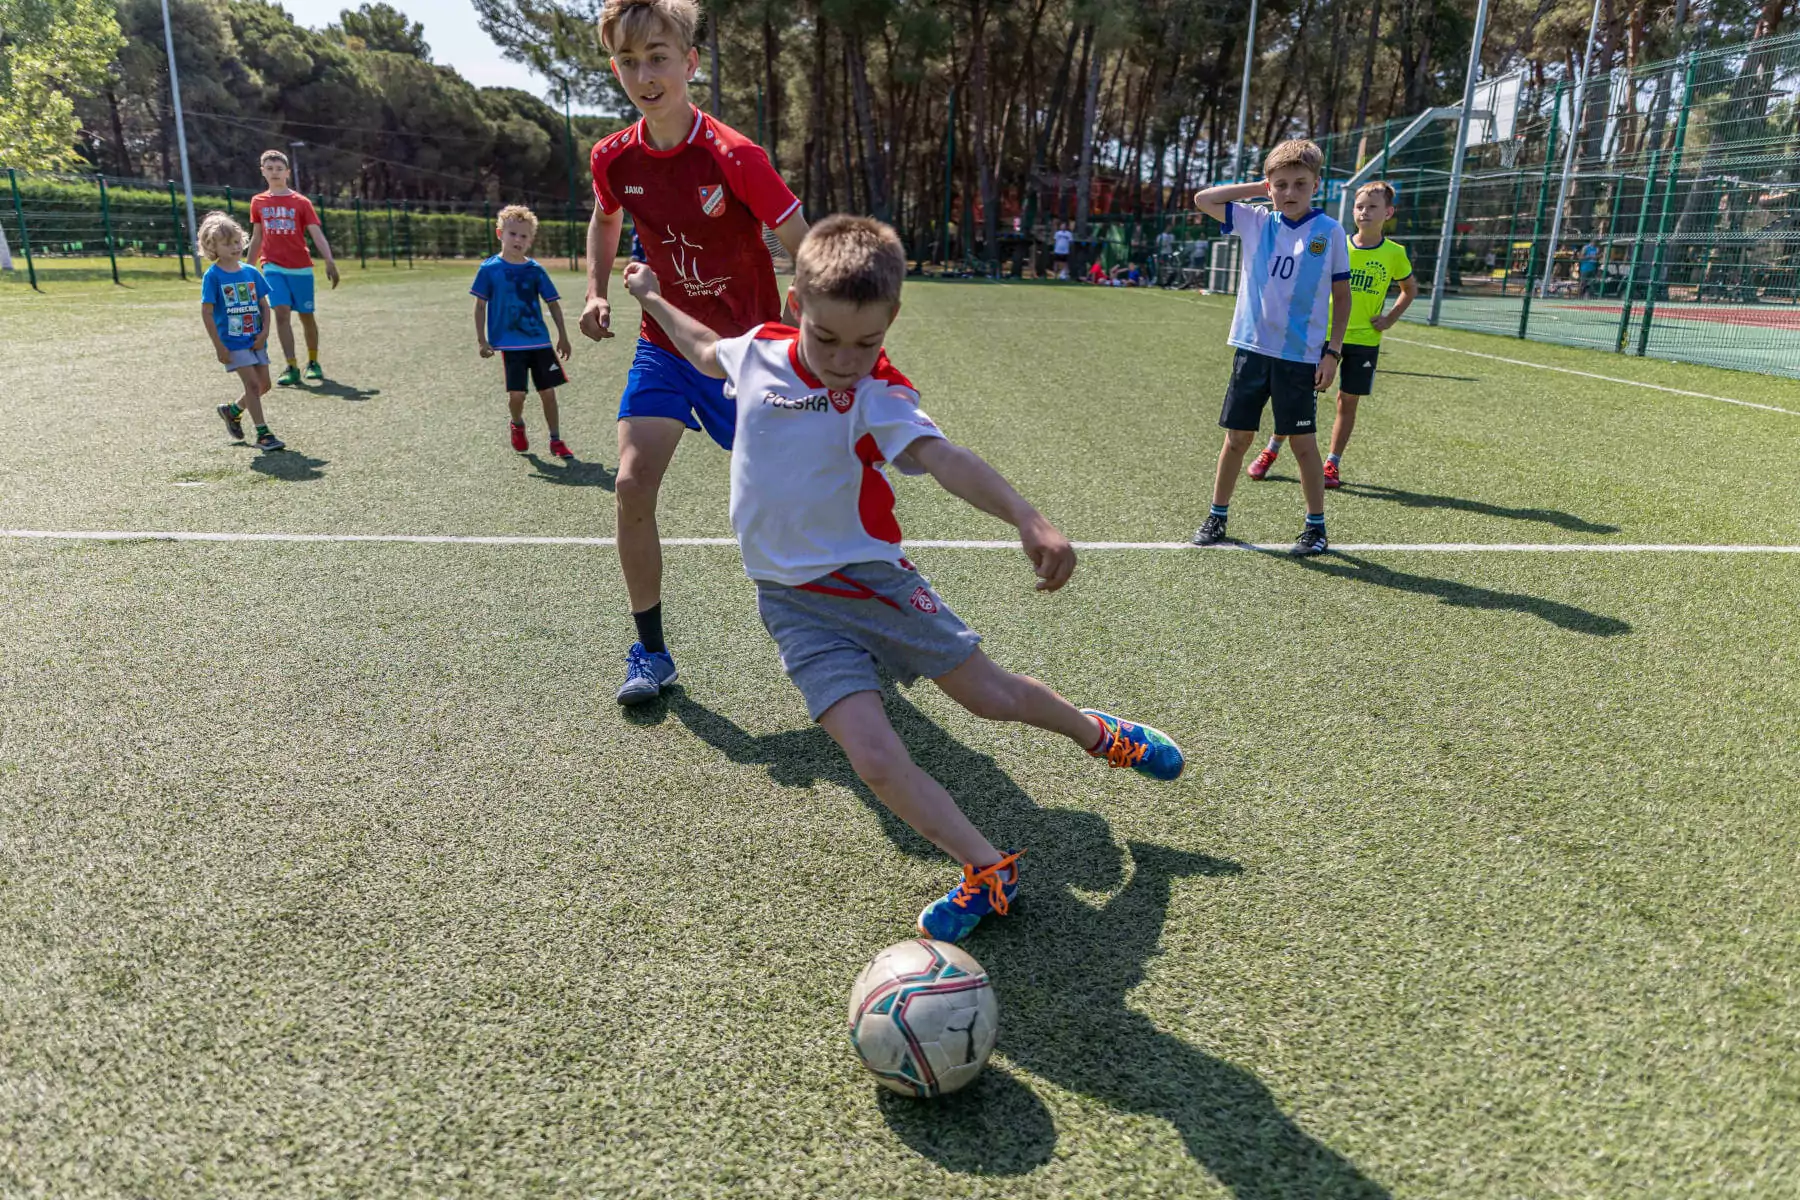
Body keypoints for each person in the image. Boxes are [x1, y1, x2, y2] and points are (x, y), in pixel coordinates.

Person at [621, 215, 1185, 942]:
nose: (846, 359)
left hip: (871, 583)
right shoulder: (758, 352)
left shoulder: (878, 393)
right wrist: (650, 295)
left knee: (991, 698)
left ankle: (1099, 734)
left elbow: (943, 457)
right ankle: (987, 871)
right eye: (827, 339)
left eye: (867, 342)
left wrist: (1025, 514)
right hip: (791, 606)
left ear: (892, 319)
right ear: (797, 308)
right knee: (876, 760)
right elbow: (702, 349)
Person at [578, 0, 809, 706]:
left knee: (795, 504)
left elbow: (803, 237)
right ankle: (651, 653)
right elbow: (604, 218)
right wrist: (595, 290)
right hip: (666, 348)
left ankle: (846, 617)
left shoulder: (736, 157)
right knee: (629, 486)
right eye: (628, 60)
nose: (644, 74)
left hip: (746, 359)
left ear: (690, 63)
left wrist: (808, 293)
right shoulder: (613, 158)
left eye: (657, 56)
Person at [1189, 139, 1351, 556]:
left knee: (1302, 444)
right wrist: (1257, 189)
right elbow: (1203, 198)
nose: (1290, 193)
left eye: (1300, 183)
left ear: (1317, 185)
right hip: (1252, 350)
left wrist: (1332, 352)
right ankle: (1217, 516)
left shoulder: (1329, 231)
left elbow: (1342, 296)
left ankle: (1315, 528)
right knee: (1237, 438)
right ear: (1269, 187)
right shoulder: (1255, 221)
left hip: (1299, 357)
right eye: (1281, 185)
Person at [1248, 180, 1415, 489]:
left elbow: (1409, 289)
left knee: (1347, 402)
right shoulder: (1337, 241)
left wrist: (1389, 318)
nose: (1364, 212)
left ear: (1388, 212)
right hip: (1321, 337)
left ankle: (1332, 464)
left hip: (1364, 341)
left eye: (1373, 207)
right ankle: (1271, 450)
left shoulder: (1394, 253)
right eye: (1360, 206)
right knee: (1300, 397)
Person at [472, 205, 575, 458]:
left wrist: (563, 335)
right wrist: (482, 341)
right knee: (517, 395)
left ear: (530, 240)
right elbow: (480, 306)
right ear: (500, 234)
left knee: (548, 393)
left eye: (524, 236)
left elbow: (553, 303)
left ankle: (556, 440)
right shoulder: (489, 269)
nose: (518, 240)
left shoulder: (536, 270)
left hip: (539, 343)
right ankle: (517, 424)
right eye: (513, 234)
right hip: (511, 345)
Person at [246, 149, 339, 387]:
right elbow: (257, 237)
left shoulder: (301, 203)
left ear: (287, 172)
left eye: (279, 169)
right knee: (281, 312)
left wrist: (329, 260)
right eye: (270, 168)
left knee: (306, 316)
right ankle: (291, 365)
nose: (274, 173)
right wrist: (248, 268)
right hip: (272, 266)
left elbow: (316, 233)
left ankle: (313, 362)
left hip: (300, 268)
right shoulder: (258, 202)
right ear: (262, 172)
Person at [198, 211, 283, 452]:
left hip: (256, 339)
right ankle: (263, 434)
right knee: (253, 385)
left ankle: (232, 411)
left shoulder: (251, 272)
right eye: (227, 244)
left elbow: (264, 306)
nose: (235, 247)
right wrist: (219, 346)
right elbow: (206, 313)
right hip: (233, 342)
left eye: (237, 241)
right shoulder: (213, 276)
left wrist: (265, 333)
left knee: (265, 385)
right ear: (212, 247)